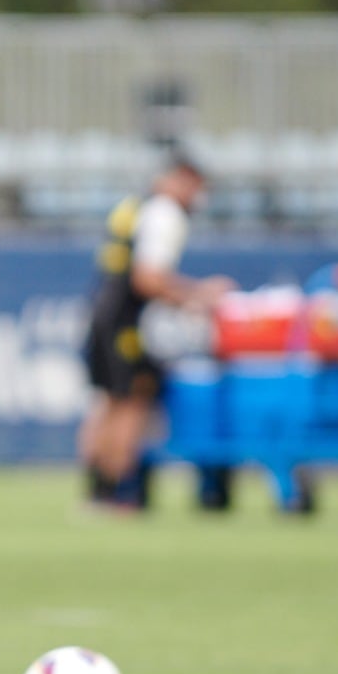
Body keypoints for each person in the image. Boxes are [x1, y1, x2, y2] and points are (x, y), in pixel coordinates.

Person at [78, 156, 233, 509]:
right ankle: (114, 494)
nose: (198, 197)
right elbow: (148, 279)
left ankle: (95, 494)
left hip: (105, 309)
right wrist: (198, 295)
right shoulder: (166, 214)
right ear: (180, 180)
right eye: (195, 187)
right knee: (131, 401)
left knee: (108, 402)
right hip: (127, 320)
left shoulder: (136, 206)